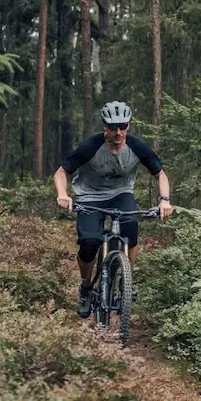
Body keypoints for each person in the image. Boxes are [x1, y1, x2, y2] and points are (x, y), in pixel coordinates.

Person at [53, 101, 173, 317]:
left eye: (123, 126)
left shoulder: (136, 147)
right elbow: (61, 172)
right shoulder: (91, 146)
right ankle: (86, 286)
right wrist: (63, 194)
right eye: (113, 126)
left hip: (121, 194)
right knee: (90, 243)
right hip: (89, 196)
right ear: (105, 127)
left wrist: (164, 200)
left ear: (128, 126)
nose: (118, 132)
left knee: (131, 230)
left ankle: (127, 278)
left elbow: (161, 174)